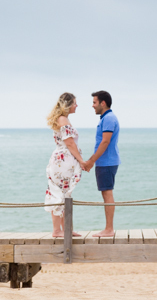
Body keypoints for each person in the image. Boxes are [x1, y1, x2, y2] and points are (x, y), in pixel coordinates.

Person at [44, 92, 86, 238]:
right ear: (68, 104)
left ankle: (66, 228)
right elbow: (69, 142)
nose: (77, 105)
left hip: (63, 160)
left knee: (64, 194)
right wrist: (81, 160)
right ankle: (57, 230)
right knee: (58, 193)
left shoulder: (63, 119)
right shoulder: (63, 119)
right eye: (75, 102)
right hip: (63, 161)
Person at [82, 90, 120, 237]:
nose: (93, 106)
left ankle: (109, 229)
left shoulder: (109, 118)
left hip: (107, 162)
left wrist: (91, 161)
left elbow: (105, 141)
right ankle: (108, 228)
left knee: (107, 193)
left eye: (94, 102)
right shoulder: (105, 118)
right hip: (105, 161)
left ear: (103, 103)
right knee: (106, 192)